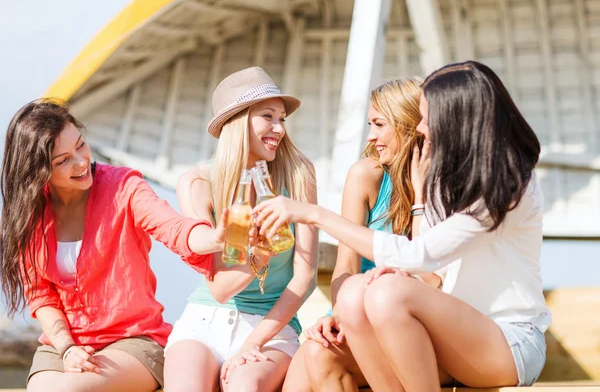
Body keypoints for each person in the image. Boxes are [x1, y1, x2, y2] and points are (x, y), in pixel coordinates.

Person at [254, 61, 550, 390]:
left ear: (454, 117)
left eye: (426, 118)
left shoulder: (508, 185)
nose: (421, 128)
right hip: (449, 339)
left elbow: (419, 258)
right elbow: (425, 269)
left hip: (507, 343)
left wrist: (313, 214)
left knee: (386, 292)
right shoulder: (437, 180)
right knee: (337, 324)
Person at [0, 99, 218, 392]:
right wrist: (66, 348)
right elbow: (41, 296)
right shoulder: (30, 213)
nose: (80, 162)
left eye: (81, 145)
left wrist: (215, 237)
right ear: (38, 171)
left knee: (68, 391)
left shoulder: (124, 187)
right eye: (62, 160)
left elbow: (174, 229)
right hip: (63, 344)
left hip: (133, 340)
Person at [282, 78, 444, 392]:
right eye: (371, 124)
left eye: (380, 124)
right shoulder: (365, 175)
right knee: (312, 357)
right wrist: (340, 316)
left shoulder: (443, 183)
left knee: (319, 357)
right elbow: (346, 266)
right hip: (354, 311)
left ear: (410, 123)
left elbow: (438, 279)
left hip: (410, 322)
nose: (372, 136)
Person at [163, 67, 318, 392]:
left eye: (282, 118)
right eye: (267, 117)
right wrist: (260, 254)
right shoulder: (197, 183)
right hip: (204, 321)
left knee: (245, 387)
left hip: (272, 328)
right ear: (236, 122)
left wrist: (253, 343)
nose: (279, 128)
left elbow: (306, 277)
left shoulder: (299, 174)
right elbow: (220, 288)